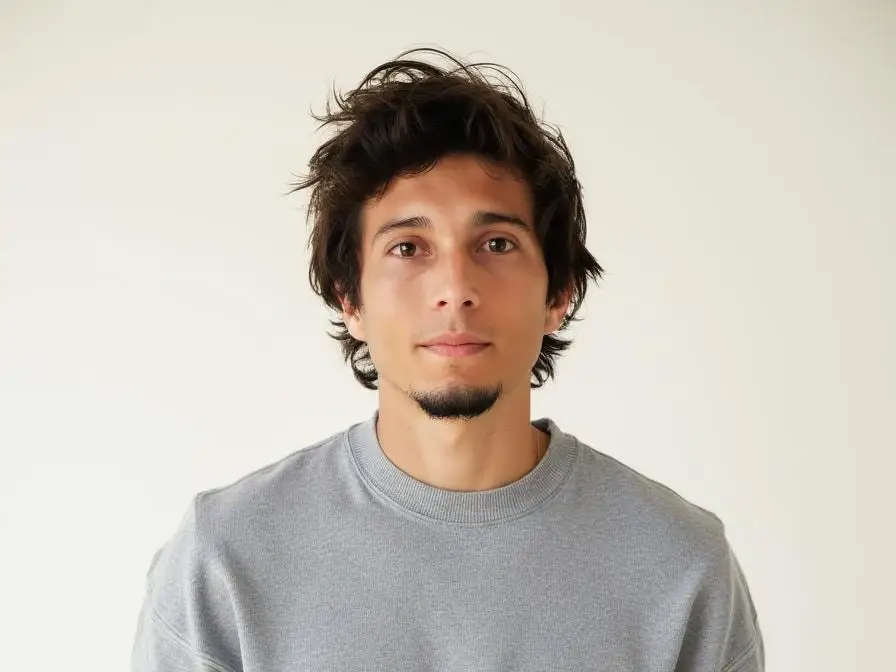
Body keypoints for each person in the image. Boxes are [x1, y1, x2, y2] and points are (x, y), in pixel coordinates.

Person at [131, 48, 764, 671]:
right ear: (349, 297)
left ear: (559, 294)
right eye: (408, 247)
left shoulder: (680, 568)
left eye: (496, 242)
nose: (455, 286)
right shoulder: (225, 559)